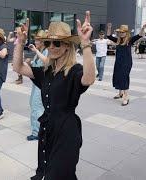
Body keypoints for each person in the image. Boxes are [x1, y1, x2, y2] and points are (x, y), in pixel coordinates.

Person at [13, 11, 95, 179]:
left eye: (57, 43)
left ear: (67, 46)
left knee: (58, 175)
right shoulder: (47, 71)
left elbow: (88, 79)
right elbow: (18, 68)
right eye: (48, 42)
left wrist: (85, 43)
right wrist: (21, 42)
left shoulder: (74, 71)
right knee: (48, 171)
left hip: (66, 133)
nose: (51, 46)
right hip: (47, 130)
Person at [107, 22, 146, 106]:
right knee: (117, 76)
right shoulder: (118, 40)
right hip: (118, 62)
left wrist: (143, 28)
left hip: (126, 63)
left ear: (126, 32)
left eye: (123, 32)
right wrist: (109, 28)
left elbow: (139, 35)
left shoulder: (130, 40)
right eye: (120, 32)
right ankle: (120, 93)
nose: (121, 33)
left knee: (123, 77)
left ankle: (126, 97)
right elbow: (109, 36)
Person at [25, 30, 48, 141]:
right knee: (34, 104)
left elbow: (47, 62)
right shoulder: (39, 51)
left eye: (37, 39)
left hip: (42, 83)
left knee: (36, 106)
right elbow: (36, 66)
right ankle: (41, 128)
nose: (35, 41)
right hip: (37, 82)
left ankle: (37, 133)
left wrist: (35, 51)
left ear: (42, 41)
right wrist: (29, 63)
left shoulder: (46, 51)